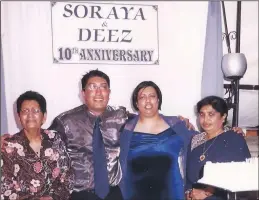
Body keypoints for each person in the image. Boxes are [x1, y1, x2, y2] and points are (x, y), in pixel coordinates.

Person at [119, 81, 197, 200]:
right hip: (135, 194)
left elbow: (203, 142)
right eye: (142, 97)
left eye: (152, 96)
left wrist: (229, 132)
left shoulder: (177, 126)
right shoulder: (125, 131)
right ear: (136, 103)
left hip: (172, 192)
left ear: (158, 100)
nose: (148, 101)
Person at [1, 91, 74, 200]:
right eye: (25, 111)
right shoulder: (8, 146)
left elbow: (68, 176)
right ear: (19, 116)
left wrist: (53, 197)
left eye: (35, 111)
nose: (30, 115)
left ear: (44, 116)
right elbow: (5, 189)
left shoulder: (55, 138)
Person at [185, 95, 251, 200]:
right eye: (202, 114)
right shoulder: (195, 141)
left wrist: (207, 192)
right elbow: (187, 177)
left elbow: (242, 176)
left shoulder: (234, 138)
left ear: (223, 116)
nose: (205, 120)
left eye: (211, 114)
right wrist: (189, 194)